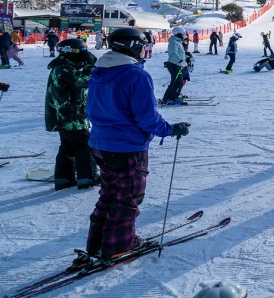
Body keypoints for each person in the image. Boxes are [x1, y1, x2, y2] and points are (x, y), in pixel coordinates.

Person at [83, 28, 190, 260]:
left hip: (100, 142)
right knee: (128, 197)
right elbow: (146, 117)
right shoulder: (135, 75)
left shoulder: (99, 71)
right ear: (133, 46)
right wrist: (170, 129)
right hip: (126, 147)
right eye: (142, 45)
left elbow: (89, 108)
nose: (144, 50)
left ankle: (97, 244)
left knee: (109, 194)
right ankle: (118, 246)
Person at [45, 38, 100, 190]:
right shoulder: (63, 69)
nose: (85, 57)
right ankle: (88, 177)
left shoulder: (64, 67)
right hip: (71, 117)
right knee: (83, 144)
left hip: (66, 116)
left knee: (67, 146)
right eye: (83, 53)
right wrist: (90, 67)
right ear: (72, 53)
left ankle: (63, 178)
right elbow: (83, 81)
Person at [159, 28, 189, 105]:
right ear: (179, 34)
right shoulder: (174, 42)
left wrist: (184, 59)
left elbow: (179, 54)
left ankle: (167, 98)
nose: (184, 36)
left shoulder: (177, 42)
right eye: (183, 34)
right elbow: (173, 54)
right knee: (179, 82)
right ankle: (173, 99)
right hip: (174, 64)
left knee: (175, 82)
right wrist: (180, 61)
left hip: (176, 64)